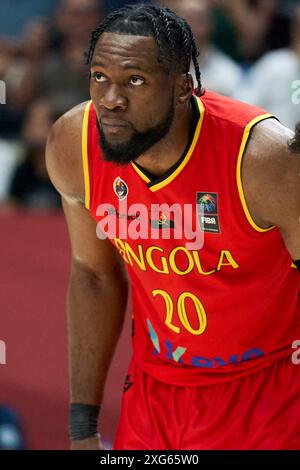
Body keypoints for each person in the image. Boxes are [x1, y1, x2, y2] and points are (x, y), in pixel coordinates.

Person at [46, 4, 300, 450]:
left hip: (270, 391)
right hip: (155, 391)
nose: (110, 99)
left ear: (184, 87)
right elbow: (94, 274)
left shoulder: (264, 159)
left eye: (135, 80)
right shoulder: (73, 143)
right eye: (99, 77)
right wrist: (82, 428)